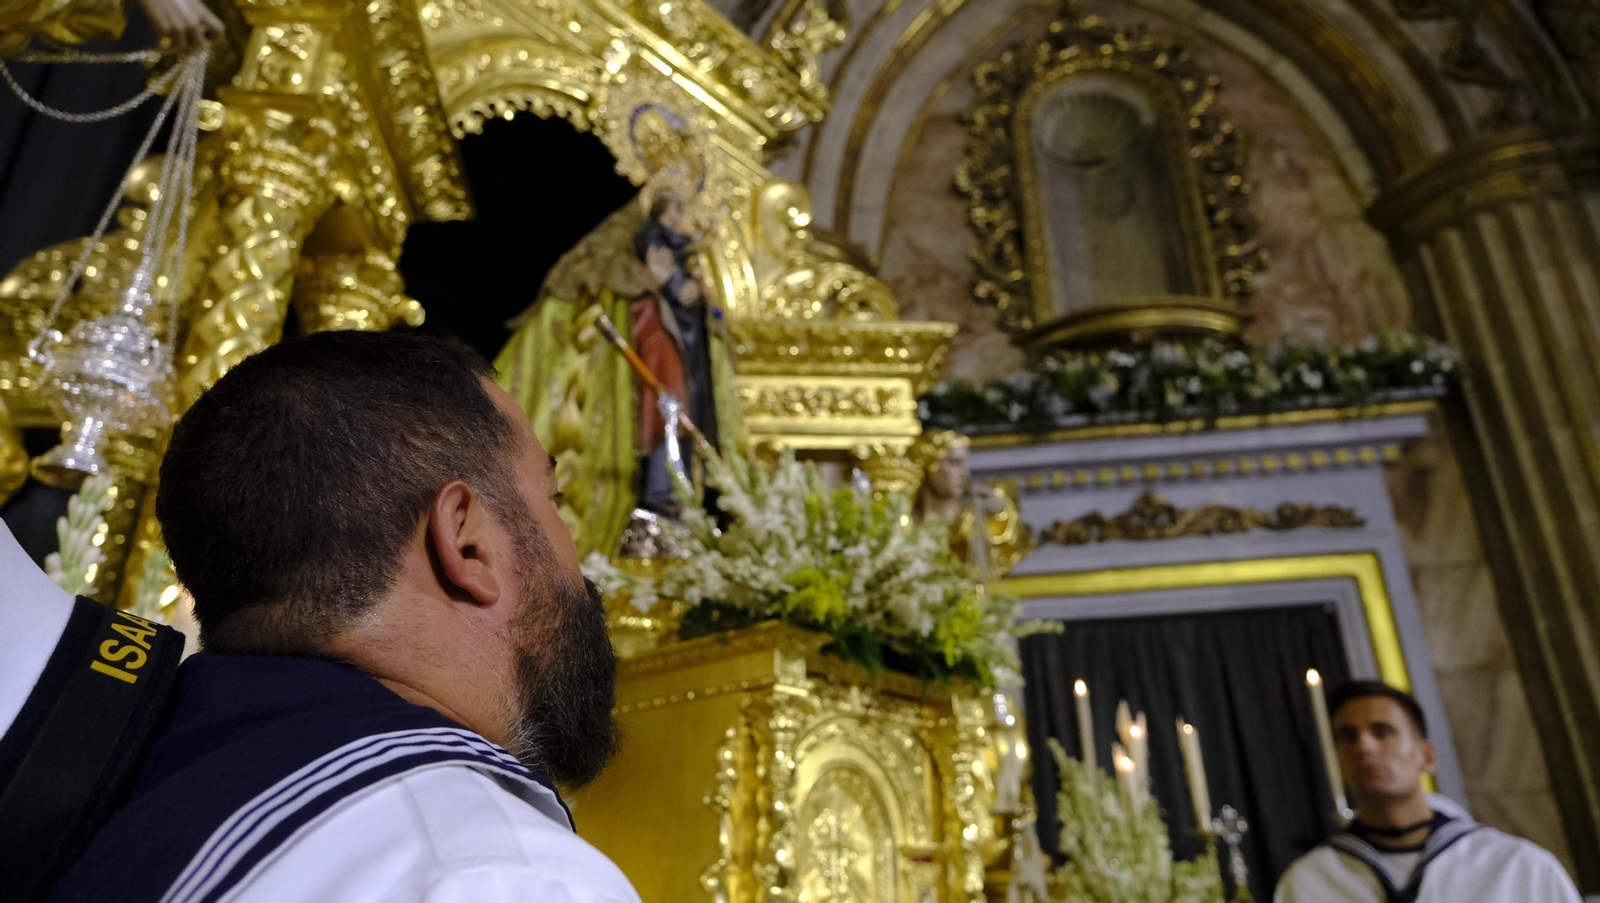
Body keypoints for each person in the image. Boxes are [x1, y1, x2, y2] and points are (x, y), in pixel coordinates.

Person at [44, 331, 639, 902]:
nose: (577, 554)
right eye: (552, 499)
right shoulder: (493, 873)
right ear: (467, 544)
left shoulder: (101, 798)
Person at [1275, 680, 1579, 903]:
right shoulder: (1309, 883)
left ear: (1427, 757)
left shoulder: (1517, 867)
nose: (1364, 747)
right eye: (1347, 737)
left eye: (1382, 732)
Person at [630, 188, 719, 517]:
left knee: (682, 407)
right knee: (667, 404)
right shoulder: (653, 235)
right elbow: (668, 279)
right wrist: (686, 287)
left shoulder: (678, 240)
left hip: (683, 332)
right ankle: (661, 489)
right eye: (678, 204)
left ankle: (676, 489)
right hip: (662, 329)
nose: (682, 212)